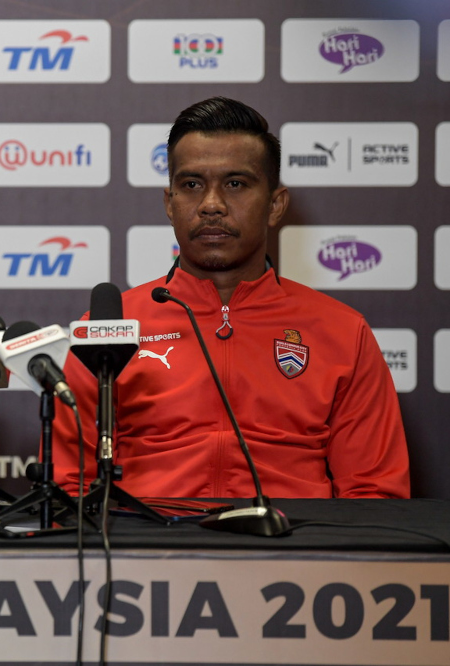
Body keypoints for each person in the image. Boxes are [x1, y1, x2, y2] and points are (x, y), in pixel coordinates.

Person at [52, 97, 410, 499]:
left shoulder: (343, 332)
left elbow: (374, 493)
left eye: (235, 184)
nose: (211, 205)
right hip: (147, 551)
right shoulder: (107, 331)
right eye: (191, 185)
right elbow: (71, 485)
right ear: (170, 204)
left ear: (275, 205)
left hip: (295, 551)